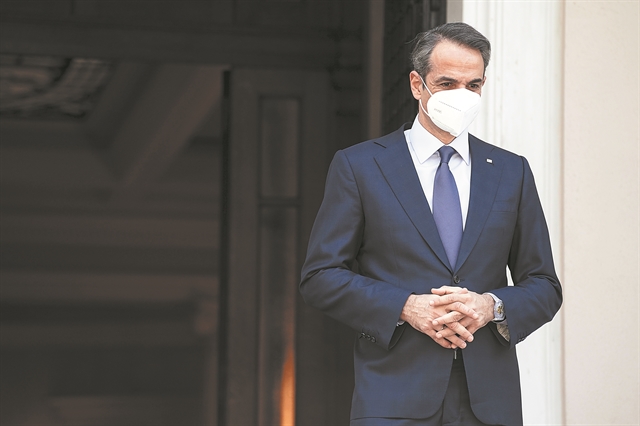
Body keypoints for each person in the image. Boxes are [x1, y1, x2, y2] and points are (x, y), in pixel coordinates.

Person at [299, 22, 562, 426]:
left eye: (473, 85)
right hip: (393, 399)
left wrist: (490, 307)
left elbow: (544, 285)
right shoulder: (359, 166)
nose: (462, 95)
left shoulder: (512, 172)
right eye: (447, 83)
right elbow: (320, 276)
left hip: (489, 404)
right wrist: (406, 307)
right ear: (416, 85)